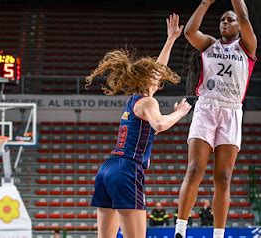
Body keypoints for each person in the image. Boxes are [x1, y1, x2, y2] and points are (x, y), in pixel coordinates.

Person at [88, 14, 191, 238]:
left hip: (107, 169)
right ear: (148, 80)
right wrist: (179, 112)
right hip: (127, 170)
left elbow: (158, 68)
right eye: (154, 75)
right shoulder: (148, 102)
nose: (159, 74)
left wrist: (171, 39)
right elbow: (160, 124)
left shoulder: (134, 99)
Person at [175, 0, 257, 237]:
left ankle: (218, 234)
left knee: (223, 177)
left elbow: (243, 16)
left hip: (232, 111)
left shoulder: (247, 47)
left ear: (238, 26)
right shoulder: (210, 44)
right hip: (207, 108)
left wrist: (237, 5)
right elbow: (190, 31)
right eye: (222, 19)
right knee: (194, 170)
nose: (225, 22)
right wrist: (205, 3)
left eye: (229, 19)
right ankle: (180, 229)